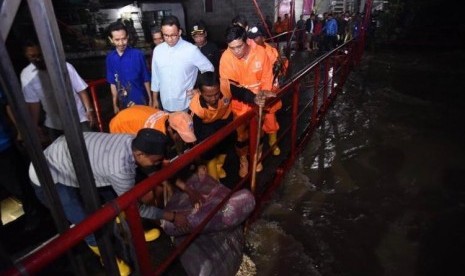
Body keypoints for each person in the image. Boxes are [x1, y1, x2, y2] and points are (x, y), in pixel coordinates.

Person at [28, 129, 193, 275]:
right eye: (156, 161)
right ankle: (108, 259)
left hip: (74, 159)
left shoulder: (131, 140)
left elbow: (143, 174)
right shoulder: (120, 169)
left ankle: (133, 231)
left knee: (115, 195)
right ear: (140, 154)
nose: (157, 165)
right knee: (86, 224)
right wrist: (172, 216)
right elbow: (135, 207)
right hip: (49, 175)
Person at [190, 72, 274, 181]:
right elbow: (197, 136)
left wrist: (255, 98)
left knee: (229, 141)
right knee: (208, 152)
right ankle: (214, 178)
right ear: (200, 92)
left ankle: (219, 166)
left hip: (225, 119)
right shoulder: (196, 109)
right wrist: (199, 161)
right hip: (206, 126)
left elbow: (242, 92)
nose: (214, 99)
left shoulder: (226, 85)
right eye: (208, 96)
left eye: (216, 94)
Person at [219, 25, 273, 178]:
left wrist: (263, 96)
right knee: (241, 136)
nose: (236, 51)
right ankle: (243, 160)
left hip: (259, 102)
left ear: (247, 41)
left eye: (239, 46)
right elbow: (231, 87)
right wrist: (251, 97)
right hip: (239, 104)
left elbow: (267, 79)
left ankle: (257, 155)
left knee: (259, 131)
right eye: (232, 48)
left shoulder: (261, 53)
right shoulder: (226, 58)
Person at [20, 40, 95, 143]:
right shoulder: (26, 75)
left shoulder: (64, 66)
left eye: (40, 55)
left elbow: (80, 89)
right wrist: (34, 125)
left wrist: (89, 110)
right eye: (32, 56)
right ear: (26, 55)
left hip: (78, 117)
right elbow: (34, 103)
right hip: (54, 123)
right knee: (61, 154)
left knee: (90, 145)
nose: (37, 58)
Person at [151, 15, 214, 112]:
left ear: (179, 32)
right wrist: (155, 99)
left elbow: (209, 69)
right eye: (166, 35)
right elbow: (156, 77)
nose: (170, 39)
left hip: (186, 105)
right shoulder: (158, 51)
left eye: (173, 35)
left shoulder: (191, 50)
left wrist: (199, 90)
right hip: (165, 105)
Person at [109, 105, 196, 157]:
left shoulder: (170, 118)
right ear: (170, 129)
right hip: (120, 125)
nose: (181, 139)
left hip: (132, 114)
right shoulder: (155, 134)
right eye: (181, 136)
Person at [106, 22, 152, 114]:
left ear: (127, 37)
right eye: (117, 40)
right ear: (111, 39)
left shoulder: (138, 54)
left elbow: (146, 79)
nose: (121, 43)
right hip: (123, 104)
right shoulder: (110, 58)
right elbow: (112, 83)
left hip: (141, 101)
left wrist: (151, 99)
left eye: (123, 39)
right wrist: (114, 104)